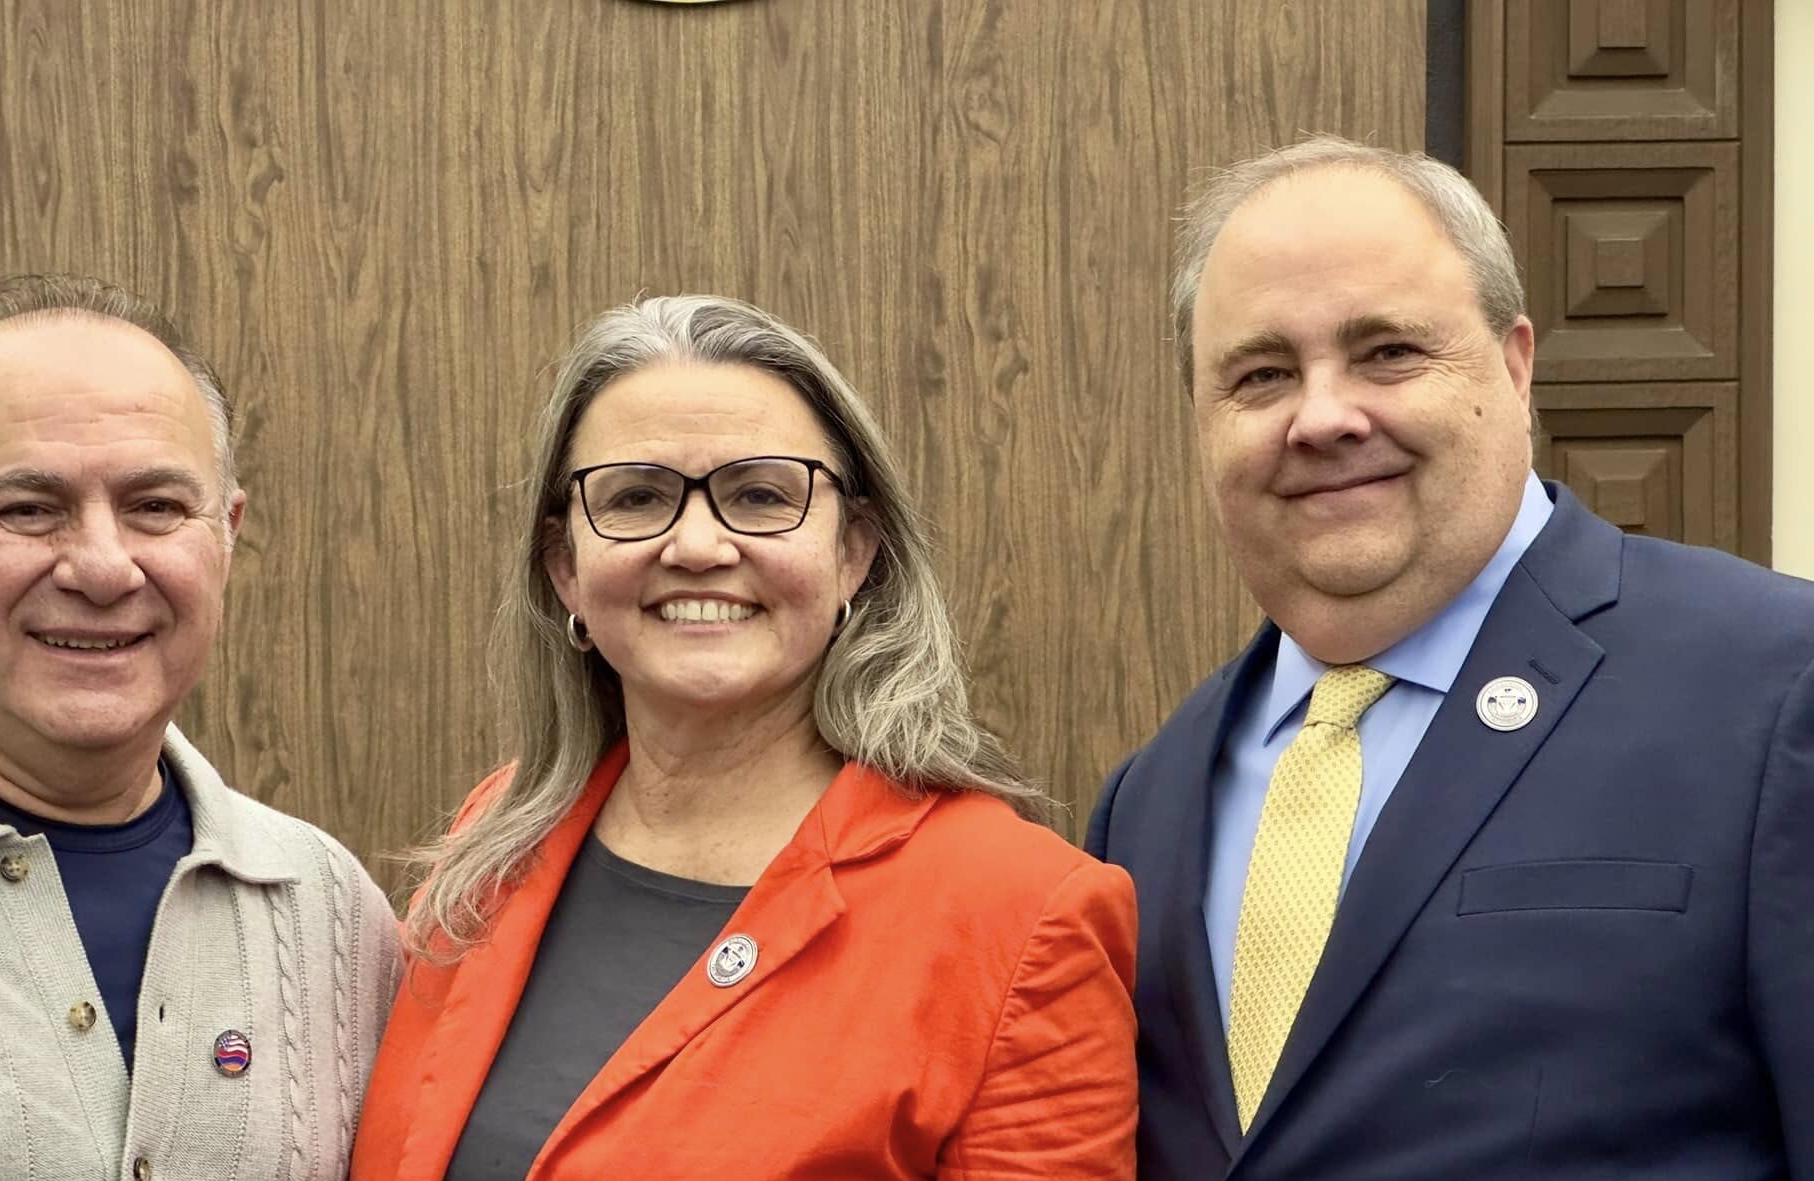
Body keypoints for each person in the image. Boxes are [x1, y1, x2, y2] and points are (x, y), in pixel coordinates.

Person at [1085, 133, 1814, 1179]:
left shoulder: (1773, 687)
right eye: (1259, 373)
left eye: (1385, 351)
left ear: (1514, 366)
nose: (1322, 416)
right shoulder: (1144, 800)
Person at [352, 294, 1138, 1180]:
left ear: (856, 551)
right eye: (637, 496)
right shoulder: (496, 836)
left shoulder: (1023, 912)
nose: (696, 544)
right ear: (565, 568)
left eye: (760, 494)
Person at [0, 274, 402, 1179]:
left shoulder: (332, 913)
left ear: (225, 538)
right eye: (29, 507)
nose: (105, 567)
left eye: (156, 507)